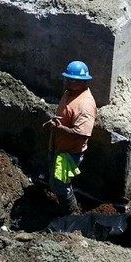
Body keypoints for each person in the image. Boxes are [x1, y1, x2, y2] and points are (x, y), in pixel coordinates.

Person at [43, 60, 97, 214]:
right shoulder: (69, 92)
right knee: (55, 180)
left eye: (71, 80)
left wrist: (61, 129)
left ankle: (70, 211)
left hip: (69, 153)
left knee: (61, 183)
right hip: (58, 146)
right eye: (67, 78)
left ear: (83, 82)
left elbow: (82, 135)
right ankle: (61, 204)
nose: (67, 82)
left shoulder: (85, 105)